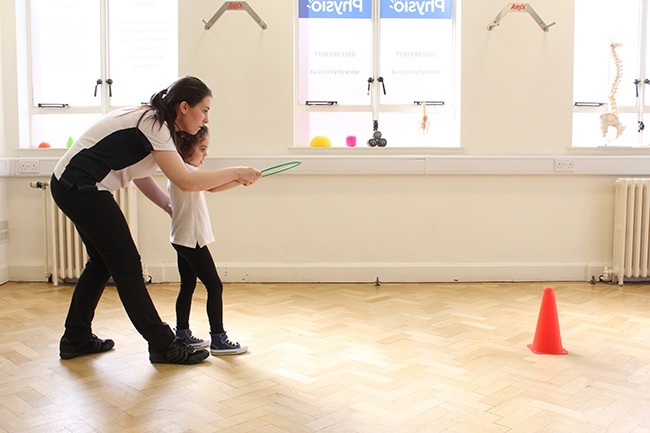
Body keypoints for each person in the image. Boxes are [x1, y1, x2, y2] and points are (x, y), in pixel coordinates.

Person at [50, 76, 262, 365]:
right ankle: (163, 345)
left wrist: (167, 205)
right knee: (126, 264)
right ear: (184, 107)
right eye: (205, 110)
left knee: (102, 262)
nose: (206, 118)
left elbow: (140, 173)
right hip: (80, 186)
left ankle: (76, 338)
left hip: (74, 185)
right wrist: (236, 171)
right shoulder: (154, 123)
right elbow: (187, 181)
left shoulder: (159, 128)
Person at [169, 126, 248, 356]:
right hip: (192, 239)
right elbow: (209, 184)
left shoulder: (183, 173)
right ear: (185, 149)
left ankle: (182, 333)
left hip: (181, 237)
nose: (205, 155)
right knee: (214, 286)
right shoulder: (187, 175)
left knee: (188, 286)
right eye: (201, 149)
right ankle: (218, 339)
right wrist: (238, 173)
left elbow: (212, 187)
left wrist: (241, 179)